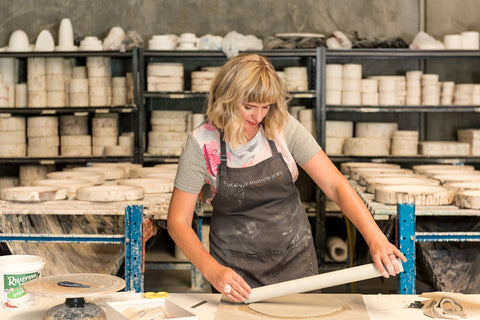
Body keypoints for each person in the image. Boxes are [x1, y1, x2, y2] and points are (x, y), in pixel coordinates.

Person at [167, 53, 406, 303]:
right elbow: (178, 220)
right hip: (234, 268)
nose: (258, 117)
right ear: (226, 99)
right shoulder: (203, 143)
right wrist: (212, 270)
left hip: (293, 259)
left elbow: (335, 185)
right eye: (248, 106)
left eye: (265, 107)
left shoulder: (282, 126)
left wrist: (376, 238)